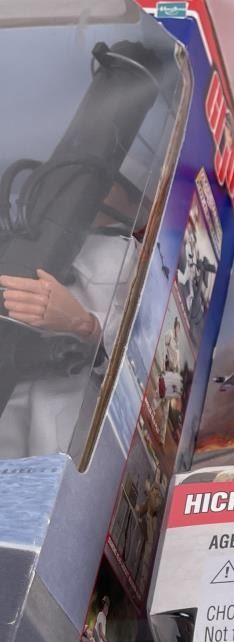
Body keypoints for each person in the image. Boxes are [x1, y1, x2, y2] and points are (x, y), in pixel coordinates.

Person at [0, 181, 142, 458]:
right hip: (18, 404)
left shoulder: (133, 256)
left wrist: (85, 324)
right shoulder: (21, 237)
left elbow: (152, 346)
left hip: (78, 429)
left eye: (111, 186)